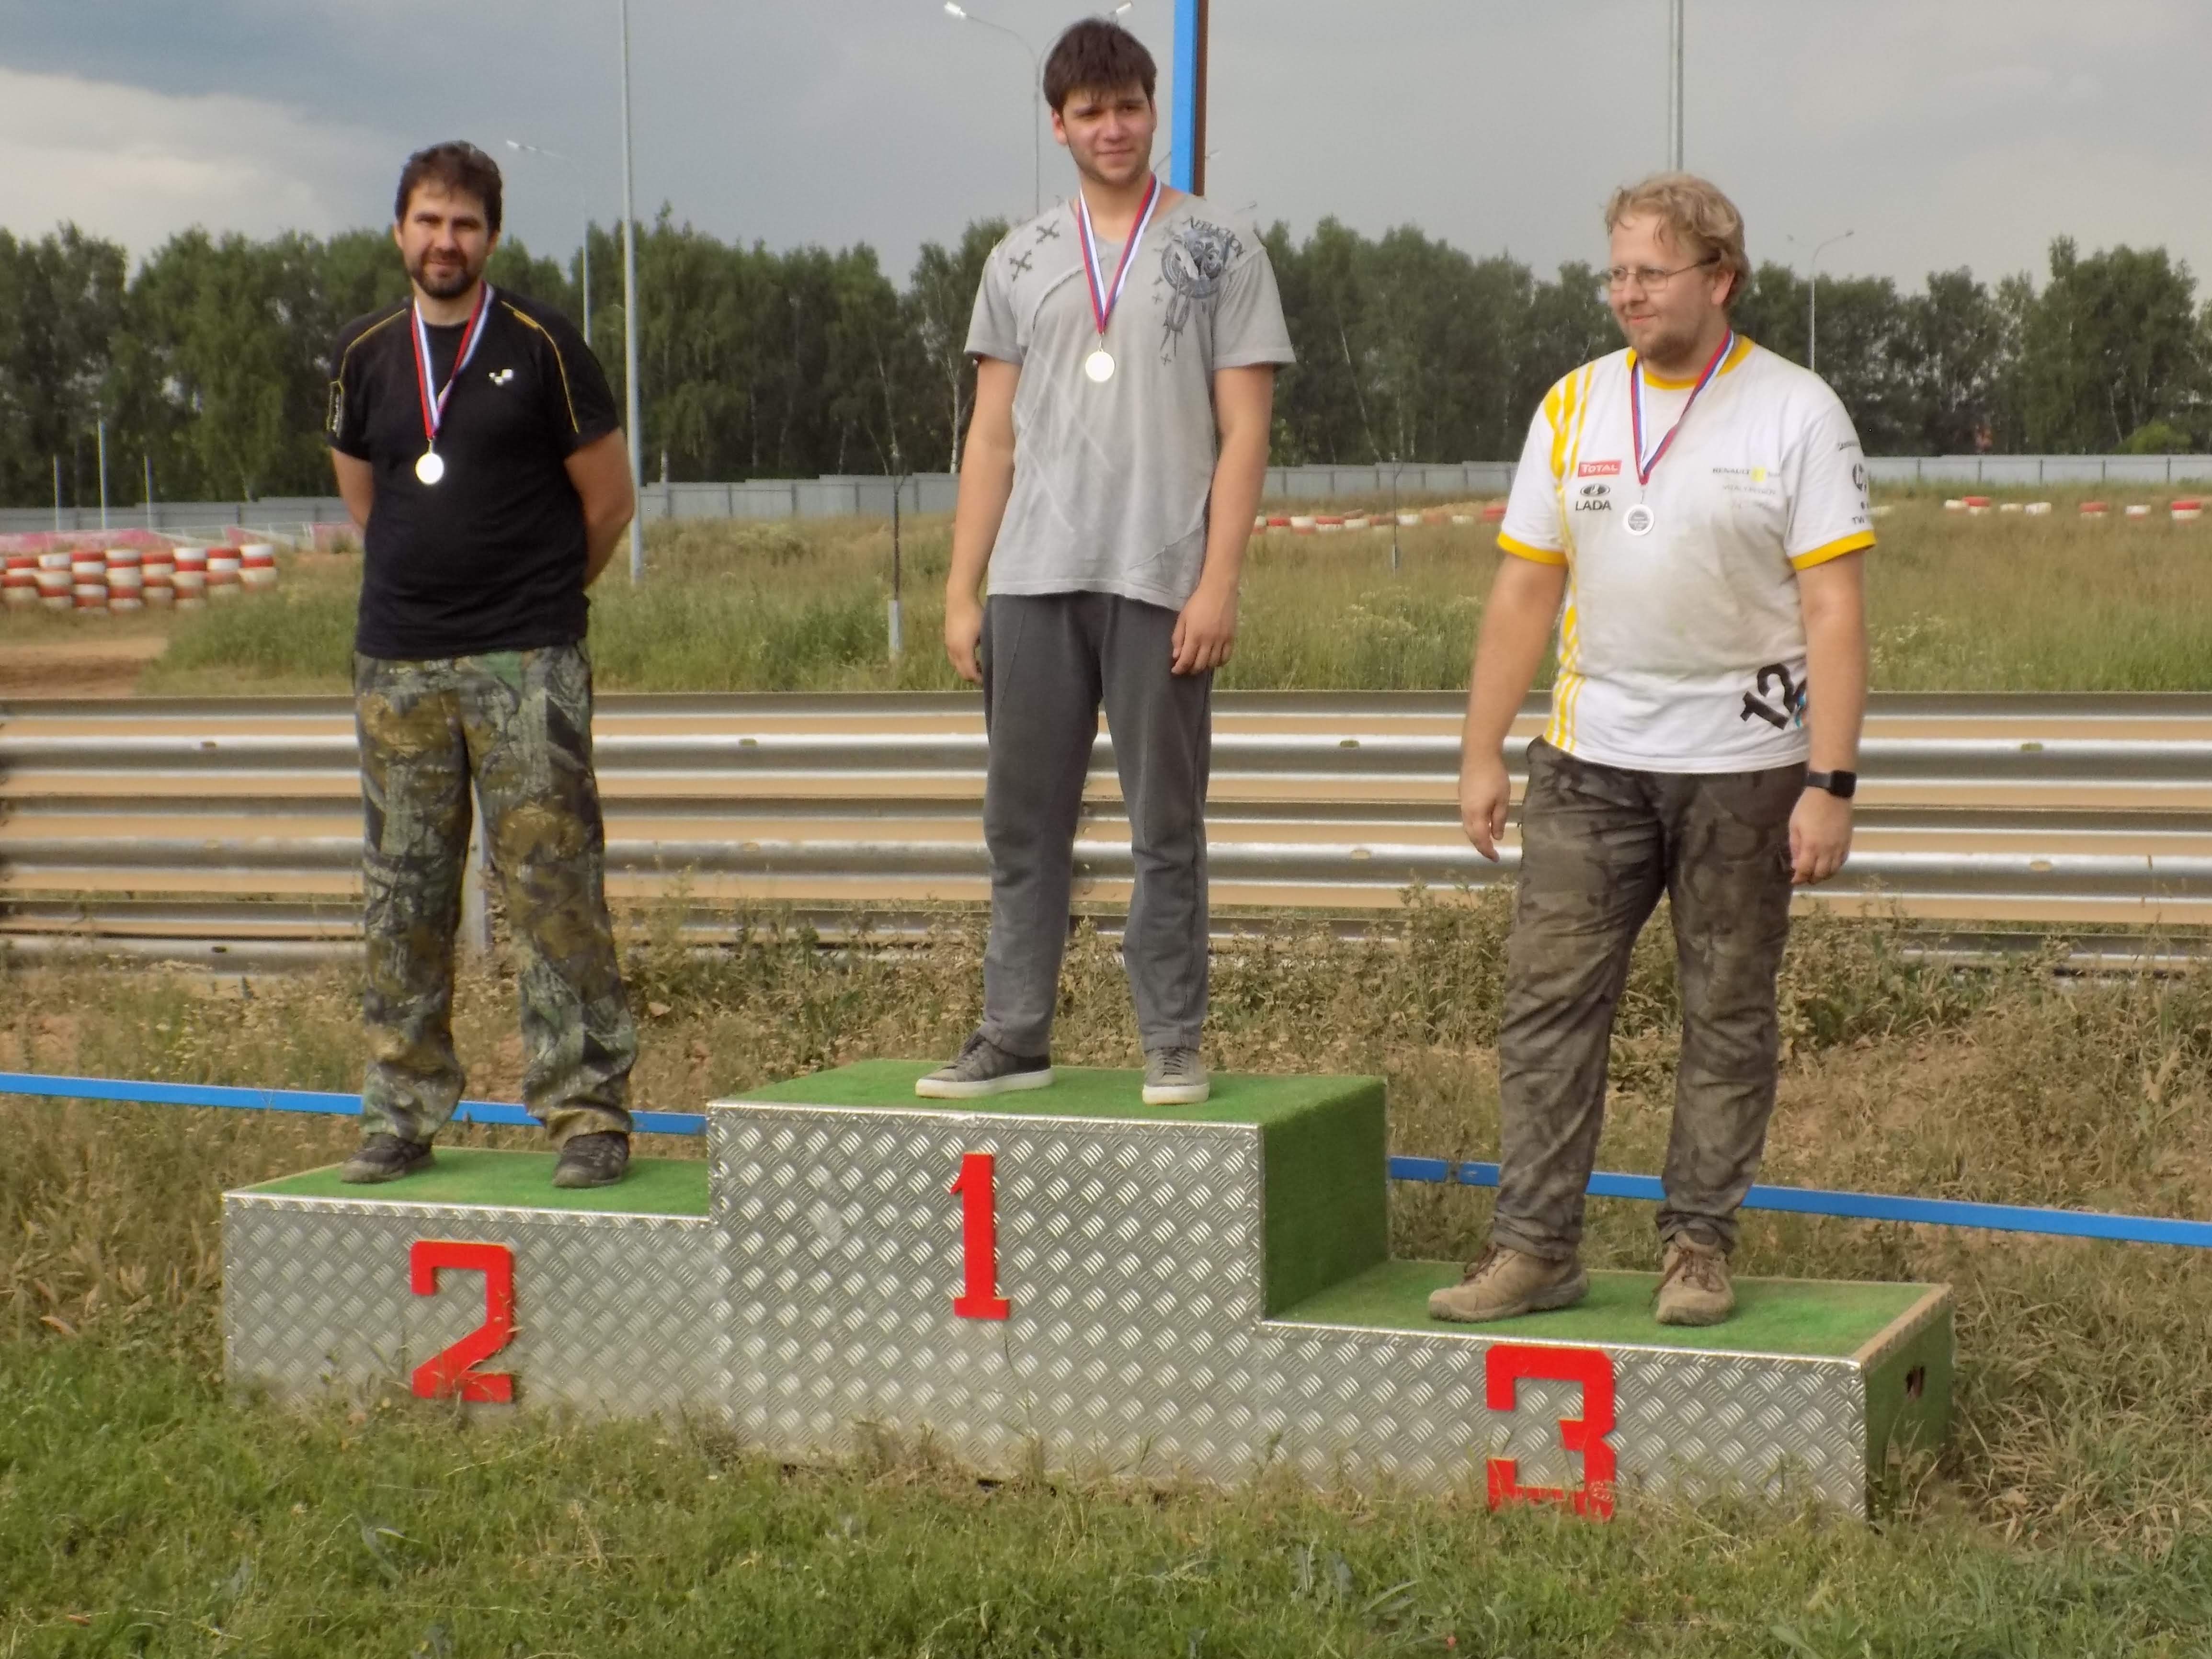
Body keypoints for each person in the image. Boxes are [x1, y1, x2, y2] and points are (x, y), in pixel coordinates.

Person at [1428, 173, 1872, 1327]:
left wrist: (1828, 782)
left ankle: (1696, 1248)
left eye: (1651, 273)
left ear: (1718, 279)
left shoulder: (1795, 411)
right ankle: (1534, 1248)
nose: (1627, 293)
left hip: (1746, 772)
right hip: (1590, 765)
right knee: (1547, 1005)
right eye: (1616, 273)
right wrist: (1480, 752)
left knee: (1724, 1011)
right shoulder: (1570, 404)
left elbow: (1832, 608)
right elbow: (1524, 589)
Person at [916, 18, 1294, 1106]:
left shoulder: (1219, 248)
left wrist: (1217, 582)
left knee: (1163, 824)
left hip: (1158, 577)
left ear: (1150, 112)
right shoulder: (1018, 258)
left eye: (1128, 107)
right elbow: (991, 435)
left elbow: (1245, 431)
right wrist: (961, 588)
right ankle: (1013, 1035)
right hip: (1032, 578)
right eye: (1090, 112)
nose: (1112, 127)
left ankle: (1170, 1039)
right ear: (1058, 125)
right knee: (1019, 823)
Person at [325, 140, 641, 1188]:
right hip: (399, 669)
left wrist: (540, 598)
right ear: (399, 231)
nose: (445, 240)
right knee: (402, 898)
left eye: (464, 223)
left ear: (492, 237)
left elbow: (609, 504)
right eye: (428, 220)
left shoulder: (543, 345)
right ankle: (400, 1112)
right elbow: (366, 497)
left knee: (554, 891)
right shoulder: (365, 354)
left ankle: (587, 1111)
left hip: (526, 661)